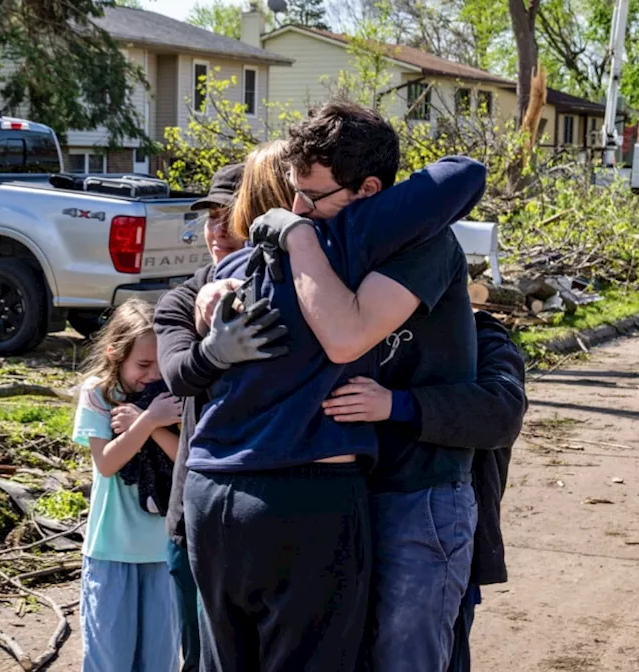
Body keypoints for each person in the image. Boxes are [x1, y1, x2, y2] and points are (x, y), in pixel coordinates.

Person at [186, 112, 486, 670]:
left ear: (369, 190)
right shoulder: (316, 239)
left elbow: (346, 336)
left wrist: (397, 405)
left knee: (401, 659)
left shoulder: (412, 242)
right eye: (291, 196)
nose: (296, 209)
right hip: (341, 488)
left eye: (313, 197)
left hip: (414, 492)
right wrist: (214, 285)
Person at [320, 310, 527, 671]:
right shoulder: (353, 330)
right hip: (350, 531)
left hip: (434, 537)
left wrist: (399, 405)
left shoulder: (481, 333)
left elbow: (501, 411)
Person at [154, 159, 290, 672]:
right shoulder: (182, 298)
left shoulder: (302, 288)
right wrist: (216, 351)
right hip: (197, 521)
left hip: (287, 510)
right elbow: (178, 375)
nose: (214, 229)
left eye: (226, 214)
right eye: (208, 216)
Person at [72, 300, 184, 672]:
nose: (151, 375)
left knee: (159, 661)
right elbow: (106, 463)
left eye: (159, 364)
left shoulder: (174, 397)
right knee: (111, 660)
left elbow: (185, 461)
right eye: (142, 365)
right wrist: (150, 421)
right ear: (114, 354)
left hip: (161, 552)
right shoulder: (98, 394)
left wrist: (152, 423)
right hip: (110, 551)